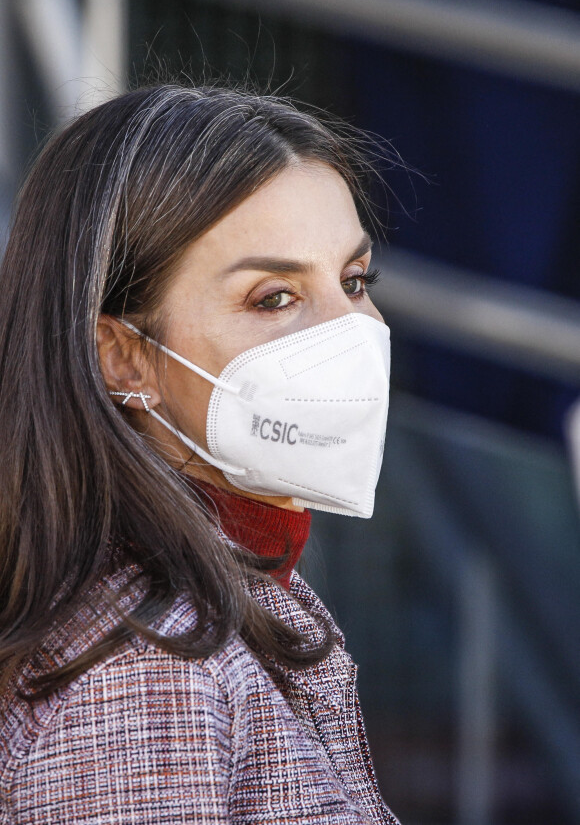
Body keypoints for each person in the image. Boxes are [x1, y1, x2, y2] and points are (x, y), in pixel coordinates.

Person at [0, 82, 398, 824]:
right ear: (124, 358)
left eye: (353, 282)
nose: (350, 335)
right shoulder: (148, 665)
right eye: (273, 297)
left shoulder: (232, 587)